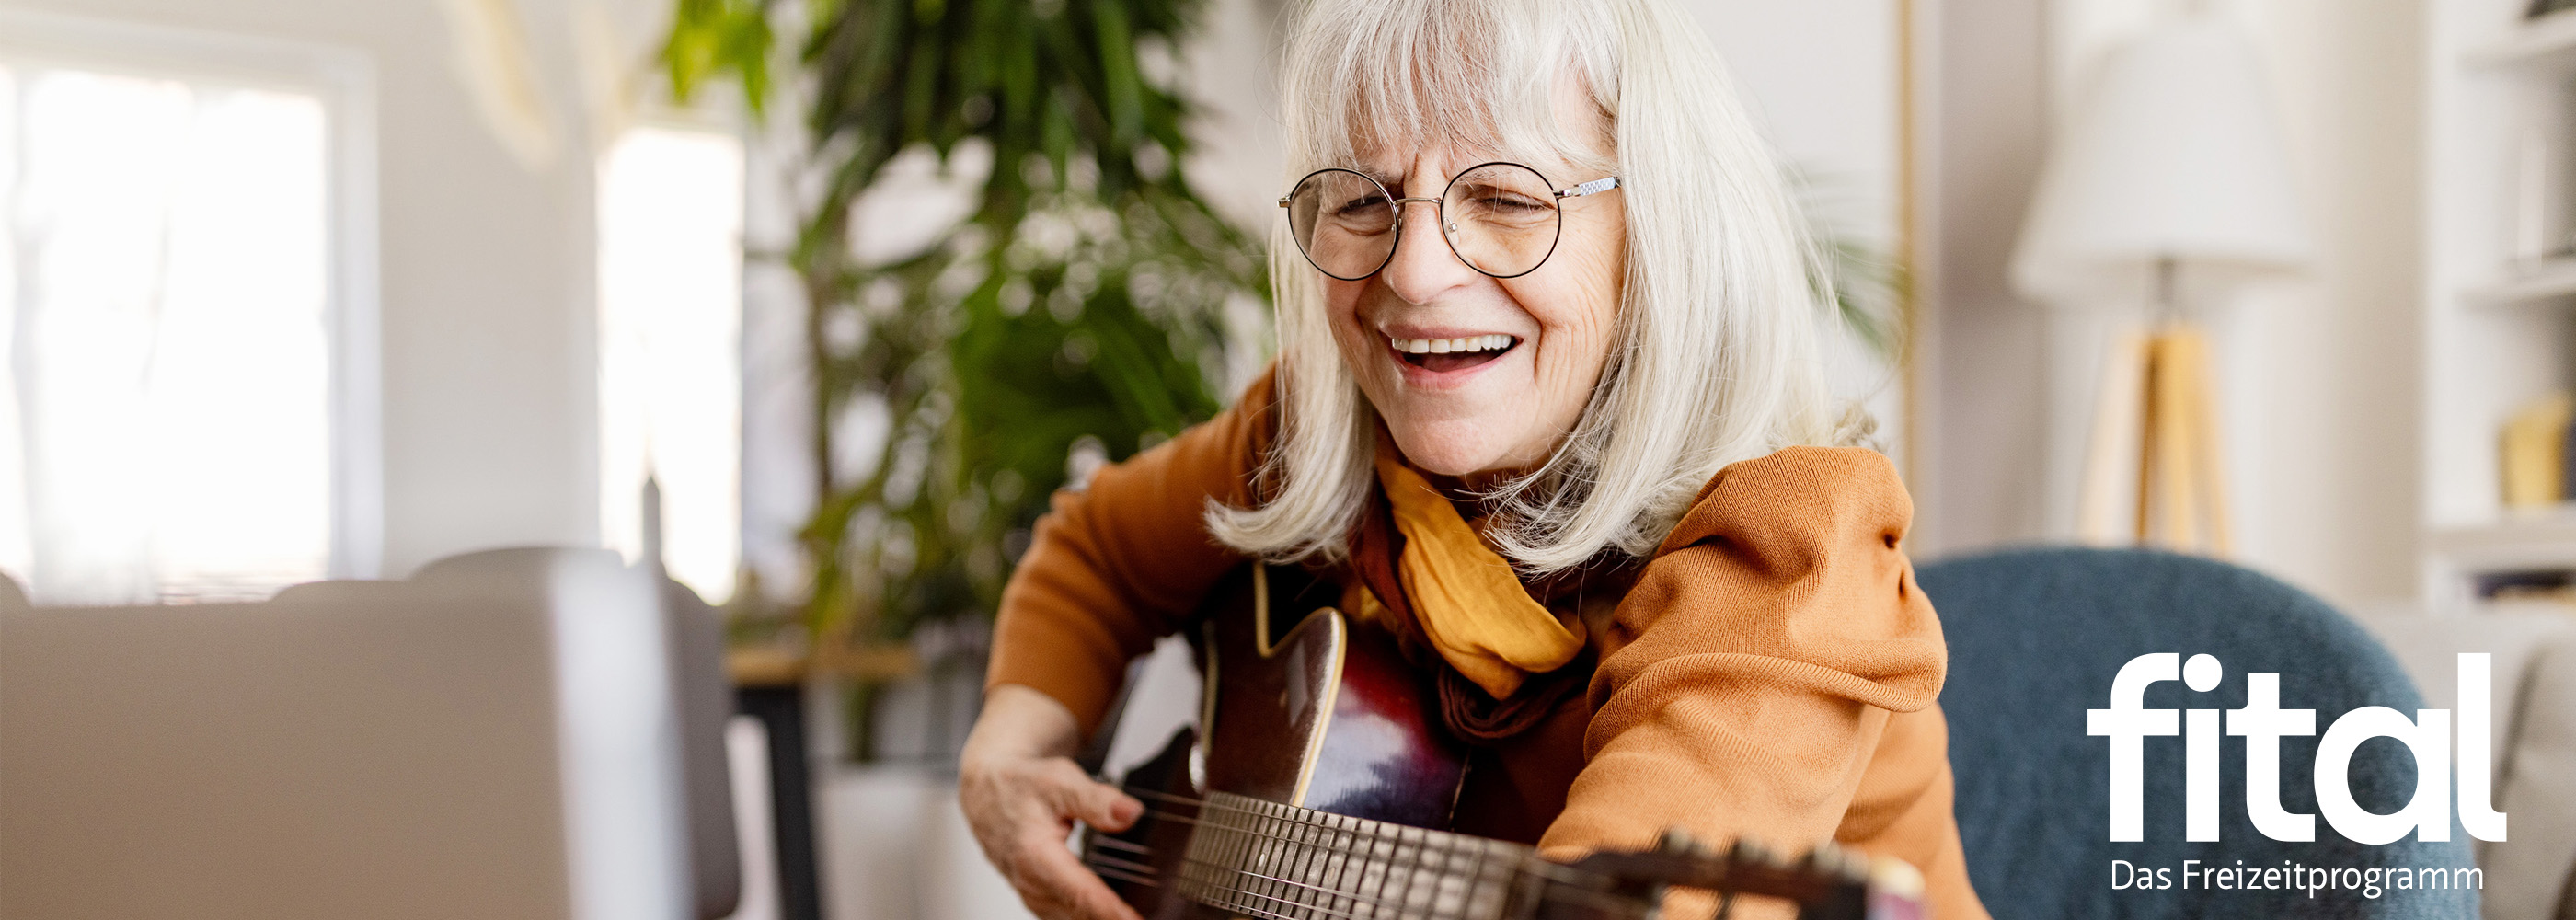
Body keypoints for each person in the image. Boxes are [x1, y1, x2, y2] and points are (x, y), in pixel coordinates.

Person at [958, 0, 1989, 917]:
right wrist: (1009, 755)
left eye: (1504, 196)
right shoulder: (1318, 431)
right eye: (1360, 199)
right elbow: (1095, 552)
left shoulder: (1792, 555)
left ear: (1660, 229)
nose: (1412, 272)